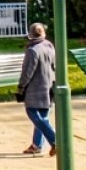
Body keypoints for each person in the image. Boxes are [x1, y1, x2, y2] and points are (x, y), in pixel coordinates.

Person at [18, 22, 57, 157]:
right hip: (49, 85)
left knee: (32, 112)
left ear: (30, 35)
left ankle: (55, 140)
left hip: (35, 88)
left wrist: (21, 86)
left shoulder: (32, 50)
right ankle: (36, 145)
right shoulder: (49, 46)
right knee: (43, 116)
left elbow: (27, 72)